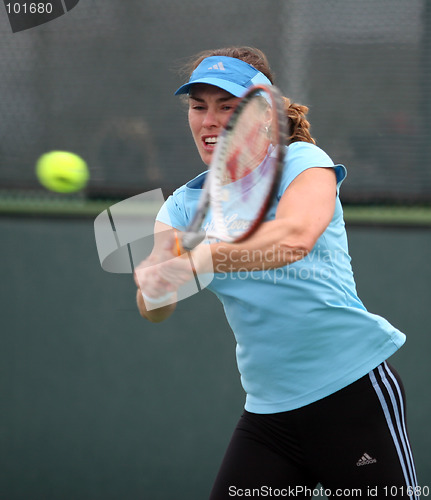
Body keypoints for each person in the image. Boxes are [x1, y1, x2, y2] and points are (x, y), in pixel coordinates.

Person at [134, 47, 419, 499]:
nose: (209, 121)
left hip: (350, 394)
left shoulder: (303, 163)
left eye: (227, 106)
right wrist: (154, 285)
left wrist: (205, 257)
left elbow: (294, 237)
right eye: (198, 106)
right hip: (269, 415)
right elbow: (156, 306)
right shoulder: (181, 208)